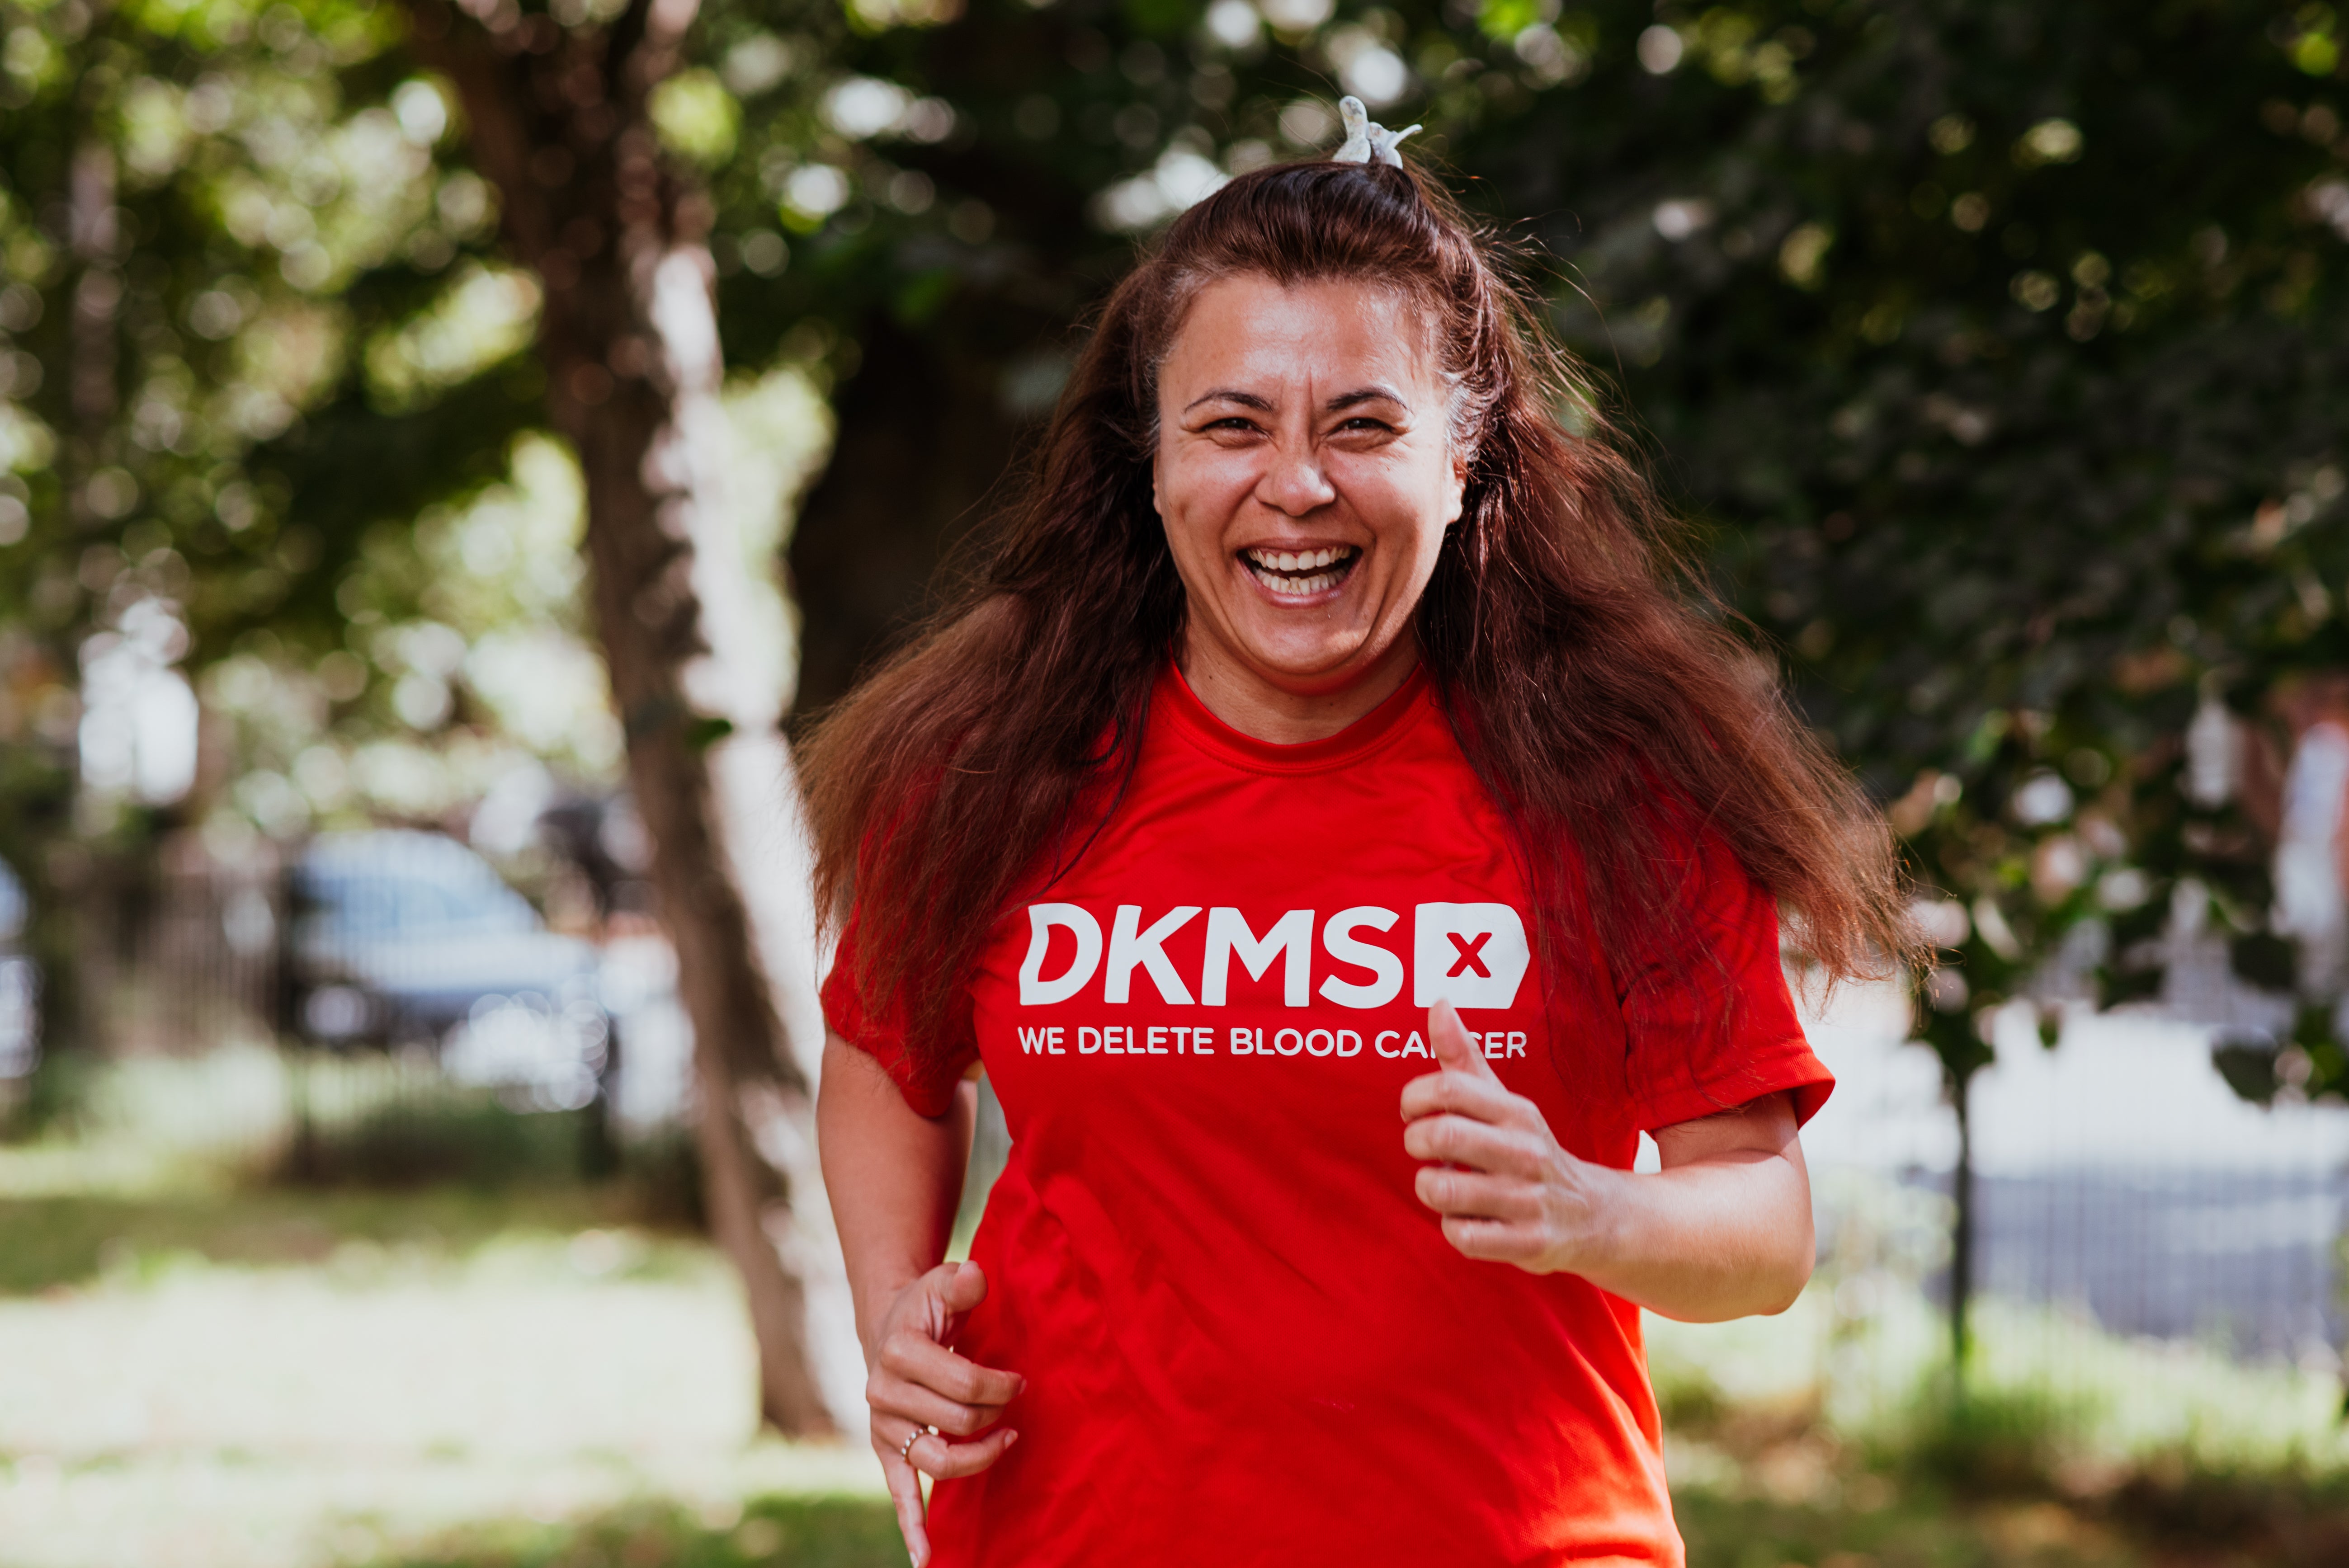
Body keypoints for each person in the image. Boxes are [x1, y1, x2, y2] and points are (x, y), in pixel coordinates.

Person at [804, 104, 1907, 1568]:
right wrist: (894, 1306)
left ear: (1464, 462)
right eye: (1232, 423)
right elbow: (886, 1052)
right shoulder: (991, 770)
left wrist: (1585, 1207)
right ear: (1151, 461)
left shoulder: (1613, 792)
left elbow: (1762, 1233)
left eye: (1362, 424)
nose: (1298, 485)